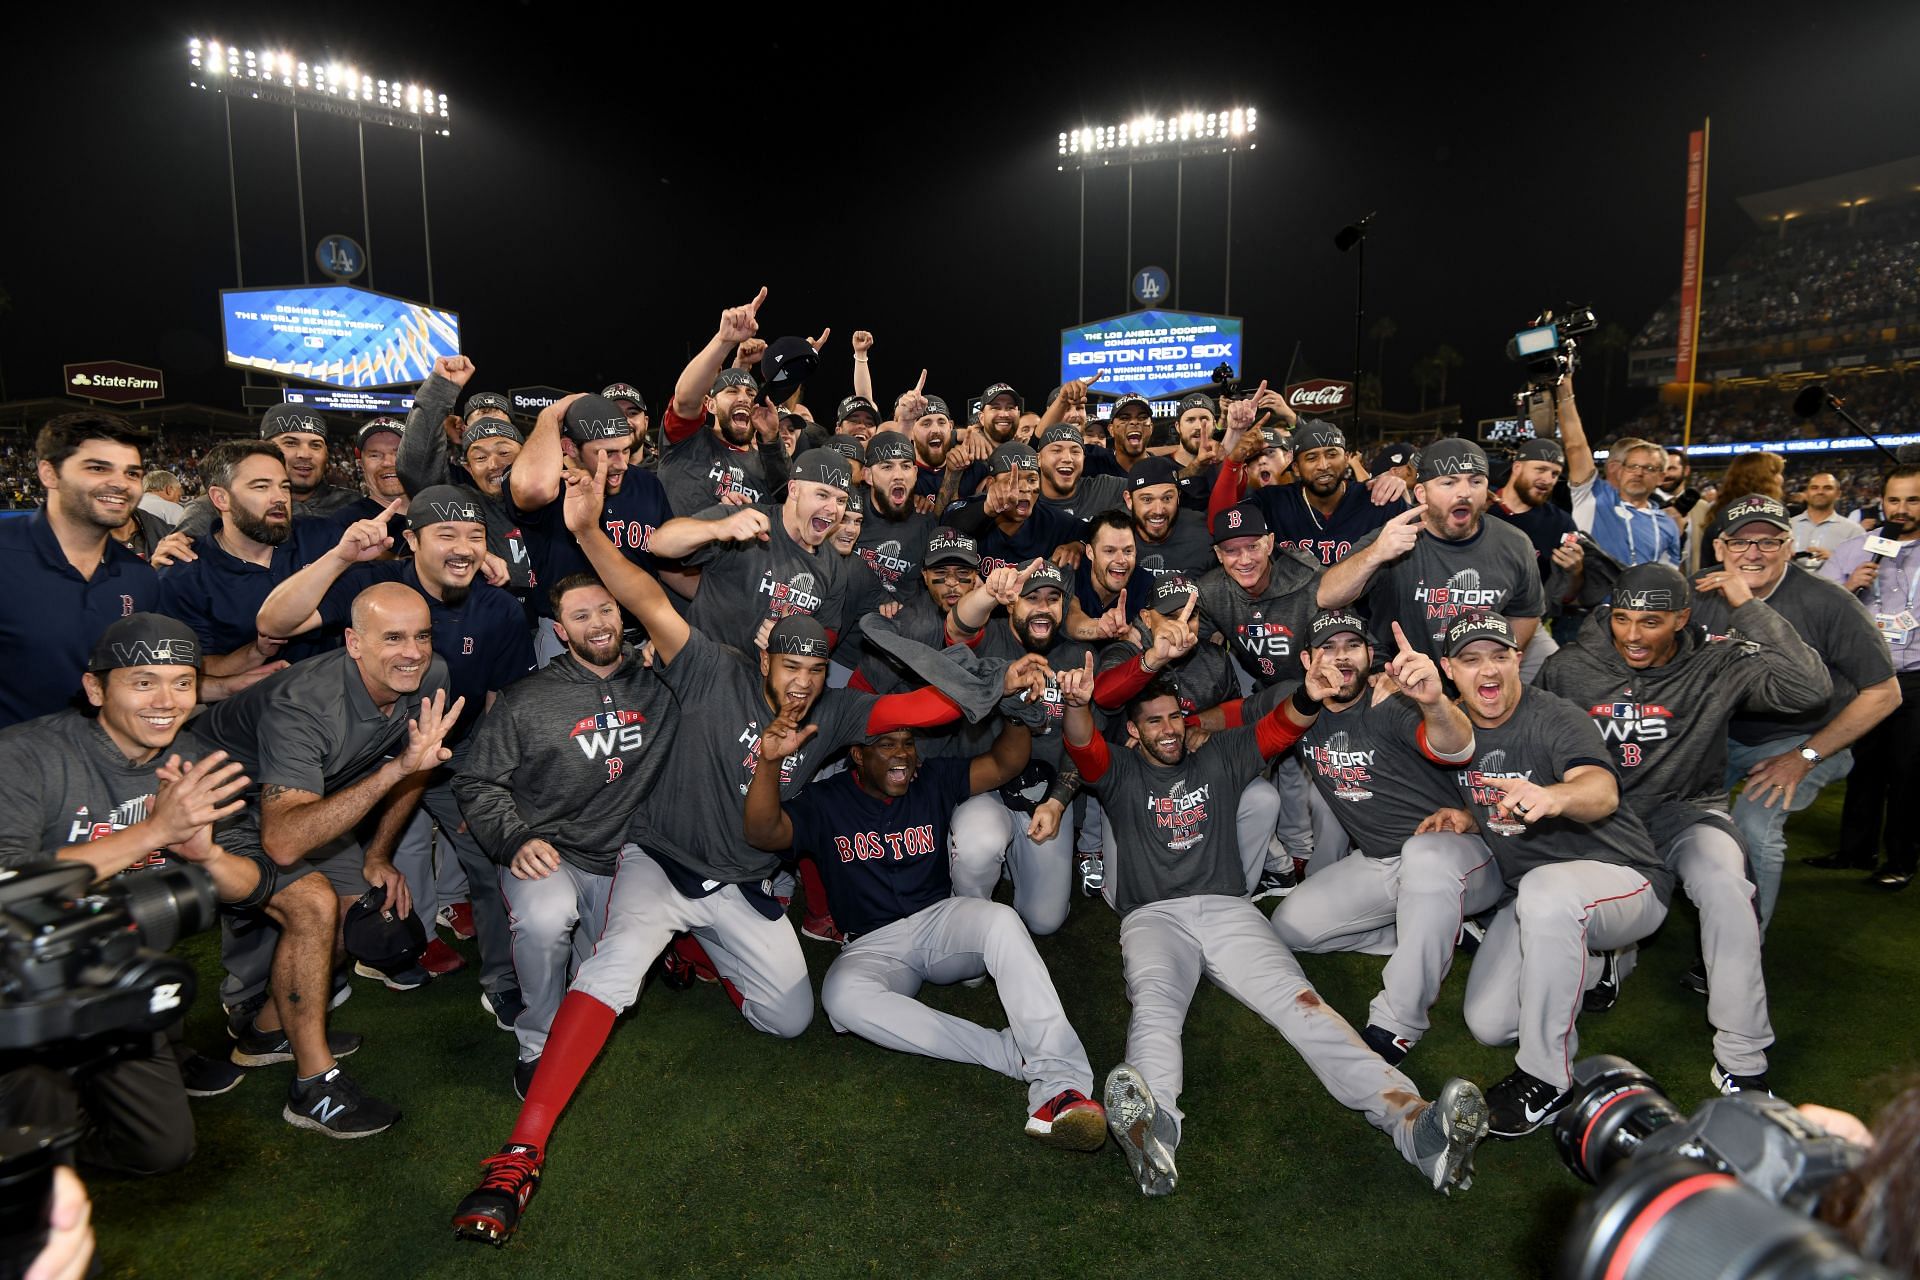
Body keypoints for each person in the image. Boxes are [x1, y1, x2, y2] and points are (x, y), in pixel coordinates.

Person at [448, 459, 1046, 1243]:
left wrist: (1007, 677)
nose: (799, 685)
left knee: (792, 1018)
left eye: (810, 670)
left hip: (740, 881)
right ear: (761, 655)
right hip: (659, 863)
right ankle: (519, 1153)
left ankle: (696, 959)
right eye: (787, 668)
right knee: (612, 970)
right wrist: (588, 529)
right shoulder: (706, 667)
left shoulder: (833, 711)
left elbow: (922, 707)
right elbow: (641, 596)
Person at [1059, 648, 1490, 1197]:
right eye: (1153, 722)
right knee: (1155, 1004)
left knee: (1304, 1006)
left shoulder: (1219, 756)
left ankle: (1416, 1127)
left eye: (1174, 718)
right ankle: (1156, 1128)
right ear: (1134, 732)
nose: (1167, 731)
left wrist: (1310, 690)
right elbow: (1081, 743)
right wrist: (1077, 703)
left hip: (1228, 909)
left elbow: (1280, 729)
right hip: (1153, 916)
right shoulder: (1118, 772)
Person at [1361, 612, 1672, 1139]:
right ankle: (1600, 969)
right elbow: (1460, 774)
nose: (1489, 670)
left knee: (1547, 892)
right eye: (1471, 658)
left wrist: (1554, 797)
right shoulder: (1451, 726)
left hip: (1623, 879)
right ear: (1450, 670)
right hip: (1532, 897)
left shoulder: (1554, 716)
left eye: (1500, 656)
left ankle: (1549, 1080)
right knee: (1490, 1024)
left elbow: (1601, 789)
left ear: (1518, 661)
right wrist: (1465, 816)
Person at [745, 709, 1109, 1150]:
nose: (902, 754)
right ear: (857, 755)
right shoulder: (827, 800)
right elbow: (764, 832)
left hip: (941, 923)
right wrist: (767, 762)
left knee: (1000, 920)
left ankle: (1061, 1084)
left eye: (907, 742)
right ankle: (1007, 1054)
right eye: (886, 744)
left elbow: (1005, 764)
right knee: (840, 998)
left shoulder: (931, 779)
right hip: (872, 945)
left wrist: (1015, 714)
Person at [0, 615, 288, 1172]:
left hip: (117, 985)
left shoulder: (196, 761)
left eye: (183, 682)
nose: (167, 700)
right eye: (142, 681)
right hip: (20, 993)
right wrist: (155, 833)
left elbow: (253, 888)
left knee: (161, 1150)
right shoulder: (25, 756)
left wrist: (207, 855)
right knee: (33, 1152)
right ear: (95, 688)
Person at [1537, 562, 1830, 1093]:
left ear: (1682, 618)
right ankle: (1609, 959)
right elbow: (1535, 737)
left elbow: (1810, 688)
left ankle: (1741, 1054)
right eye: (1622, 618)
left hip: (1686, 809)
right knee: (1564, 900)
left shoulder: (1719, 661)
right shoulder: (1569, 666)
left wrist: (1749, 606)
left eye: (1651, 622)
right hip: (1605, 818)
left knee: (1725, 883)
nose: (1632, 635)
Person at [191, 583, 463, 1137]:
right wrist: (393, 770)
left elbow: (421, 764)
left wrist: (378, 856)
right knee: (313, 904)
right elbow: (285, 843)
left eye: (421, 635)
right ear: (353, 643)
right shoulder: (306, 703)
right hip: (212, 801)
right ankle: (312, 1086)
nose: (412, 651)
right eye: (392, 638)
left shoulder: (427, 675)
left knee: (355, 913)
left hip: (301, 798)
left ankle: (268, 1031)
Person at [256, 487, 535, 1012]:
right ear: (411, 541)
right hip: (357, 751)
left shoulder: (498, 607)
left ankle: (502, 980)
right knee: (351, 857)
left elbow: (500, 702)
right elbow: (273, 625)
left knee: (489, 847)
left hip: (455, 750)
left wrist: (487, 785)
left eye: (475, 536)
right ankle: (391, 947)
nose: (463, 548)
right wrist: (339, 556)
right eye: (445, 534)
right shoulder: (371, 585)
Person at [452, 573, 678, 1097]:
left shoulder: (660, 684)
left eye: (605, 611)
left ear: (623, 616)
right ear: (559, 630)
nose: (597, 624)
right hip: (550, 849)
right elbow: (476, 779)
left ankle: (577, 1012)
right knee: (545, 919)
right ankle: (536, 1044)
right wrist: (513, 839)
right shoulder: (525, 699)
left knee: (614, 971)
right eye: (581, 616)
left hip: (630, 857)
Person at [1687, 495, 1900, 924]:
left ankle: (1745, 940)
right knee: (1670, 802)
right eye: (1739, 542)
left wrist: (1804, 757)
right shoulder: (1698, 590)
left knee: (1754, 819)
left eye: (1768, 541)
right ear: (1719, 548)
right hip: (1724, 733)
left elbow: (1885, 693)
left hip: (1808, 736)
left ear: (1788, 546)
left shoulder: (1829, 602)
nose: (1753, 553)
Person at [1270, 611, 1478, 953]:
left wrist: (1434, 702)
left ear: (1369, 654)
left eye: (1352, 645)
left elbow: (1456, 752)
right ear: (1307, 659)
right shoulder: (1296, 703)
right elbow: (1239, 715)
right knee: (1289, 929)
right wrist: (1194, 728)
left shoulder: (1391, 699)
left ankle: (1439, 917)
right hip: (1380, 860)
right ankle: (1417, 932)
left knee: (1422, 858)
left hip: (1444, 849)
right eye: (1328, 647)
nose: (1341, 656)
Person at [947, 561, 1092, 936]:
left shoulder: (1079, 657)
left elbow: (1086, 746)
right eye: (1031, 598)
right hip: (987, 788)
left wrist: (1059, 801)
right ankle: (969, 924)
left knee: (1045, 921)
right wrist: (984, 595)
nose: (1043, 607)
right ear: (1011, 603)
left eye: (1053, 598)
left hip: (1043, 794)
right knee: (979, 846)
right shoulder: (986, 637)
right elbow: (956, 629)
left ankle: (1018, 859)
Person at [1318, 438, 1545, 665]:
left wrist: (1499, 665)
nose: (1465, 492)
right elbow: (1328, 597)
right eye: (1449, 483)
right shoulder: (1394, 537)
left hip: (1475, 685)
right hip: (1402, 684)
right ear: (1421, 493)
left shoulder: (1514, 544)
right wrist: (1376, 553)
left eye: (1476, 482)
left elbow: (1524, 613)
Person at [0, 412, 158, 729]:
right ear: (49, 473)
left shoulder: (140, 577)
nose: (120, 484)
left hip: (109, 761)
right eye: (98, 468)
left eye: (132, 473)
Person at [1816, 465, 1920, 889]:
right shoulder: (1856, 549)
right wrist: (1850, 585)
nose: (1902, 510)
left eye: (1913, 500)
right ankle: (1855, 849)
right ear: (1881, 500)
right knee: (1863, 768)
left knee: (1908, 771)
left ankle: (1901, 859)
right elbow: (1819, 606)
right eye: (1894, 500)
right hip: (1865, 678)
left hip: (1915, 677)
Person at [153, 441, 333, 682]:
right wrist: (256, 652)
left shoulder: (325, 539)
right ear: (221, 498)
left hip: (338, 694)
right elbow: (195, 667)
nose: (279, 498)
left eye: (284, 486)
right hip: (249, 710)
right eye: (261, 487)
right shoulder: (184, 574)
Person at [647, 448, 856, 649]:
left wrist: (793, 638)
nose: (832, 509)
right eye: (822, 495)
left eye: (841, 501)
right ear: (794, 490)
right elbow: (659, 543)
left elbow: (828, 631)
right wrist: (717, 528)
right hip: (706, 671)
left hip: (764, 681)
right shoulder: (745, 520)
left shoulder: (833, 565)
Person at [509, 393, 675, 633]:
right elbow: (532, 490)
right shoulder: (550, 481)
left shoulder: (647, 484)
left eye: (625, 450)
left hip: (639, 633)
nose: (621, 464)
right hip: (565, 638)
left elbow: (667, 568)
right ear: (570, 447)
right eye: (607, 453)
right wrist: (550, 415)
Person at [394, 356, 533, 598]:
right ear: (468, 466)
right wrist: (439, 390)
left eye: (504, 452)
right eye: (480, 457)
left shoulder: (556, 491)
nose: (494, 465)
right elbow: (415, 466)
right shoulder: (460, 501)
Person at [658, 288, 792, 515]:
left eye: (751, 393)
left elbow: (789, 504)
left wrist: (771, 438)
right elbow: (685, 399)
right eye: (732, 391)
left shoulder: (766, 462)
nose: (743, 398)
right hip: (681, 549)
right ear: (709, 404)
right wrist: (723, 341)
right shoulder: (686, 440)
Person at [1211, 416, 1407, 568]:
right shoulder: (1272, 501)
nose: (1323, 465)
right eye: (1311, 457)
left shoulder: (1377, 497)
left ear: (1347, 458)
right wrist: (1233, 461)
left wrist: (1402, 491)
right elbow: (1219, 522)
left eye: (1332, 454)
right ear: (1295, 467)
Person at [171, 405, 360, 539]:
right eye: (290, 443)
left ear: (326, 453)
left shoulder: (354, 505)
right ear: (266, 449)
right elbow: (176, 567)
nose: (305, 454)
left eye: (316, 445)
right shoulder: (216, 507)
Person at [1556, 377, 1679, 568]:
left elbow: (1667, 581)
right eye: (1632, 466)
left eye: (1649, 468)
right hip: (1588, 597)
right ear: (1620, 470)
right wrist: (1565, 395)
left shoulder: (1668, 524)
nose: (1638, 473)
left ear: (1661, 477)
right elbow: (1575, 446)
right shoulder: (1592, 496)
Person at [1488, 436, 1584, 678]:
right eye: (1540, 469)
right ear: (1518, 467)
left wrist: (1575, 571)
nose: (1548, 479)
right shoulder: (1484, 506)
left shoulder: (1560, 522)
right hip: (1471, 612)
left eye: (1554, 474)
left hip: (1526, 620)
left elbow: (1567, 596)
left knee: (1561, 675)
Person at [941, 442, 1087, 573]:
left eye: (1032, 480)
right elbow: (948, 525)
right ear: (991, 484)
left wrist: (1080, 545)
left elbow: (1096, 531)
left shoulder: (1053, 520)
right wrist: (987, 510)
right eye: (1013, 480)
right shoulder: (973, 507)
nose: (1025, 488)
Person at [852, 430, 937, 595]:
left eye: (905, 466)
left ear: (915, 473)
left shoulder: (927, 523)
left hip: (905, 616)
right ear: (868, 476)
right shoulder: (849, 511)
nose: (898, 476)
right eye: (887, 467)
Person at [1126, 456, 1215, 582]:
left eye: (1167, 498)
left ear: (1178, 497)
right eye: (1147, 499)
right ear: (1129, 500)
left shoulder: (1203, 535)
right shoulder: (1113, 533)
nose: (1158, 510)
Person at [1035, 423, 1127, 519]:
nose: (1067, 458)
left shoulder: (1104, 489)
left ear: (1083, 458)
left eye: (1075, 452)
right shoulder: (1025, 498)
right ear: (1038, 459)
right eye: (1057, 450)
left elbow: (1142, 488)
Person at [1795, 471, 1868, 563]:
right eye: (1814, 488)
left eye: (1827, 488)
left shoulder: (1854, 530)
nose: (1820, 492)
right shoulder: (1788, 525)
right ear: (1806, 493)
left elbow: (1861, 565)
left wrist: (1835, 558)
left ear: (1838, 494)